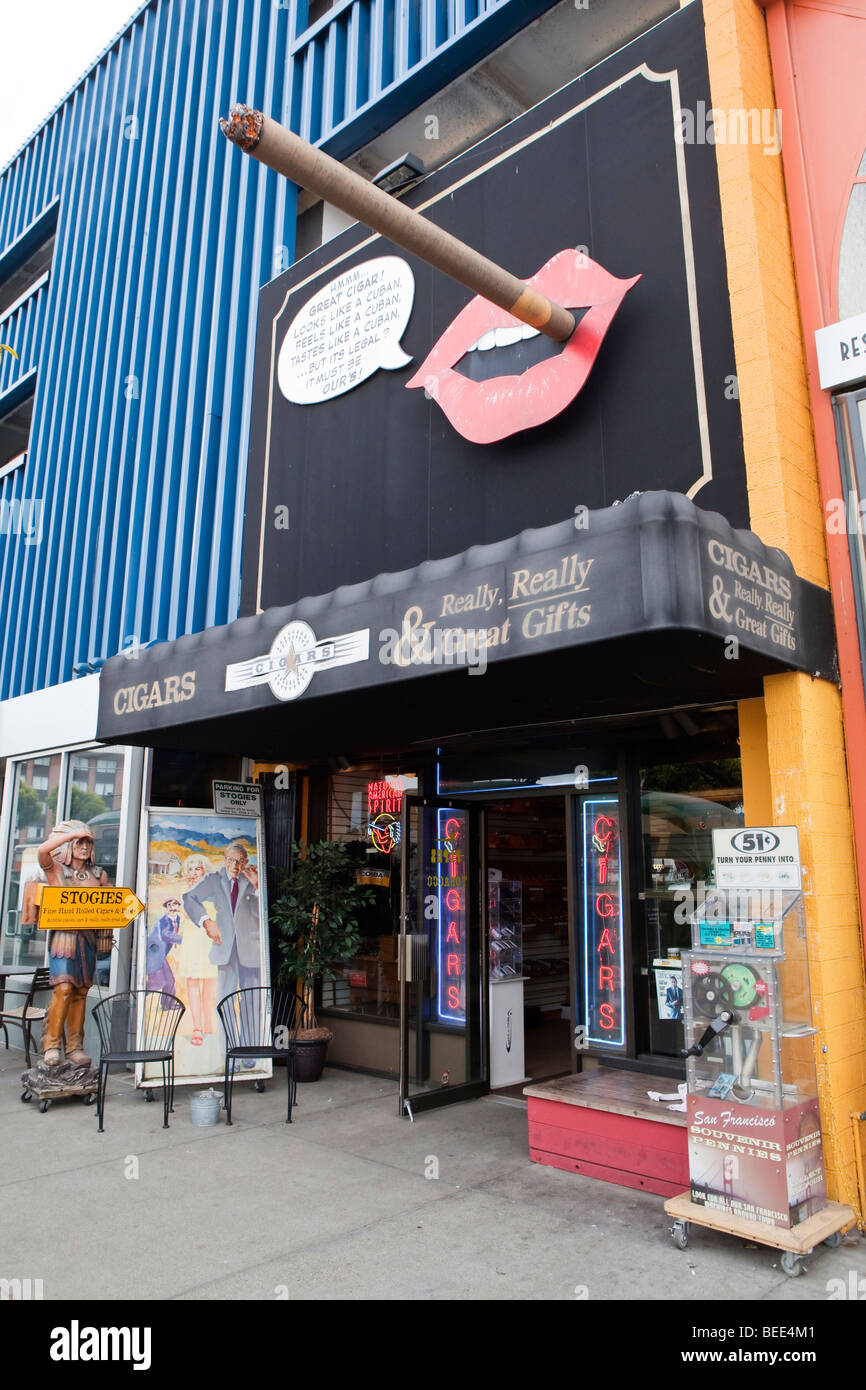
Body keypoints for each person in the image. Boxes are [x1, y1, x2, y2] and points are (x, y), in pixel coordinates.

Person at [37, 819, 114, 1068]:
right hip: (65, 938)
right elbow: (42, 852)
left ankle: (74, 1047)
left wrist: (105, 935)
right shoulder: (57, 870)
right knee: (63, 989)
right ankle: (51, 1046)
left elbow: (110, 905)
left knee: (81, 992)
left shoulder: (98, 874)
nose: (84, 846)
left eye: (88, 842)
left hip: (88, 939)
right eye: (80, 842)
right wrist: (72, 834)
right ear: (70, 845)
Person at [182, 842, 261, 1007]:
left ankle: (250, 1034)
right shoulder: (215, 879)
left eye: (239, 861)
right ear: (225, 860)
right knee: (225, 1001)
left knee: (252, 1001)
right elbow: (190, 898)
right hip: (225, 948)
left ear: (245, 862)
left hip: (250, 948)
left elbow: (262, 913)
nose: (234, 865)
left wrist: (257, 887)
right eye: (231, 860)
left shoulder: (252, 880)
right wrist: (206, 921)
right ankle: (226, 1034)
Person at [171, 854, 219, 1046]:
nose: (194, 872)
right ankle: (197, 1027)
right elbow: (184, 917)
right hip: (192, 941)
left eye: (197, 869)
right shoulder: (185, 891)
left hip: (209, 941)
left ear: (205, 870)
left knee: (209, 985)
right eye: (190, 869)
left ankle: (208, 1023)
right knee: (192, 983)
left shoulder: (213, 891)